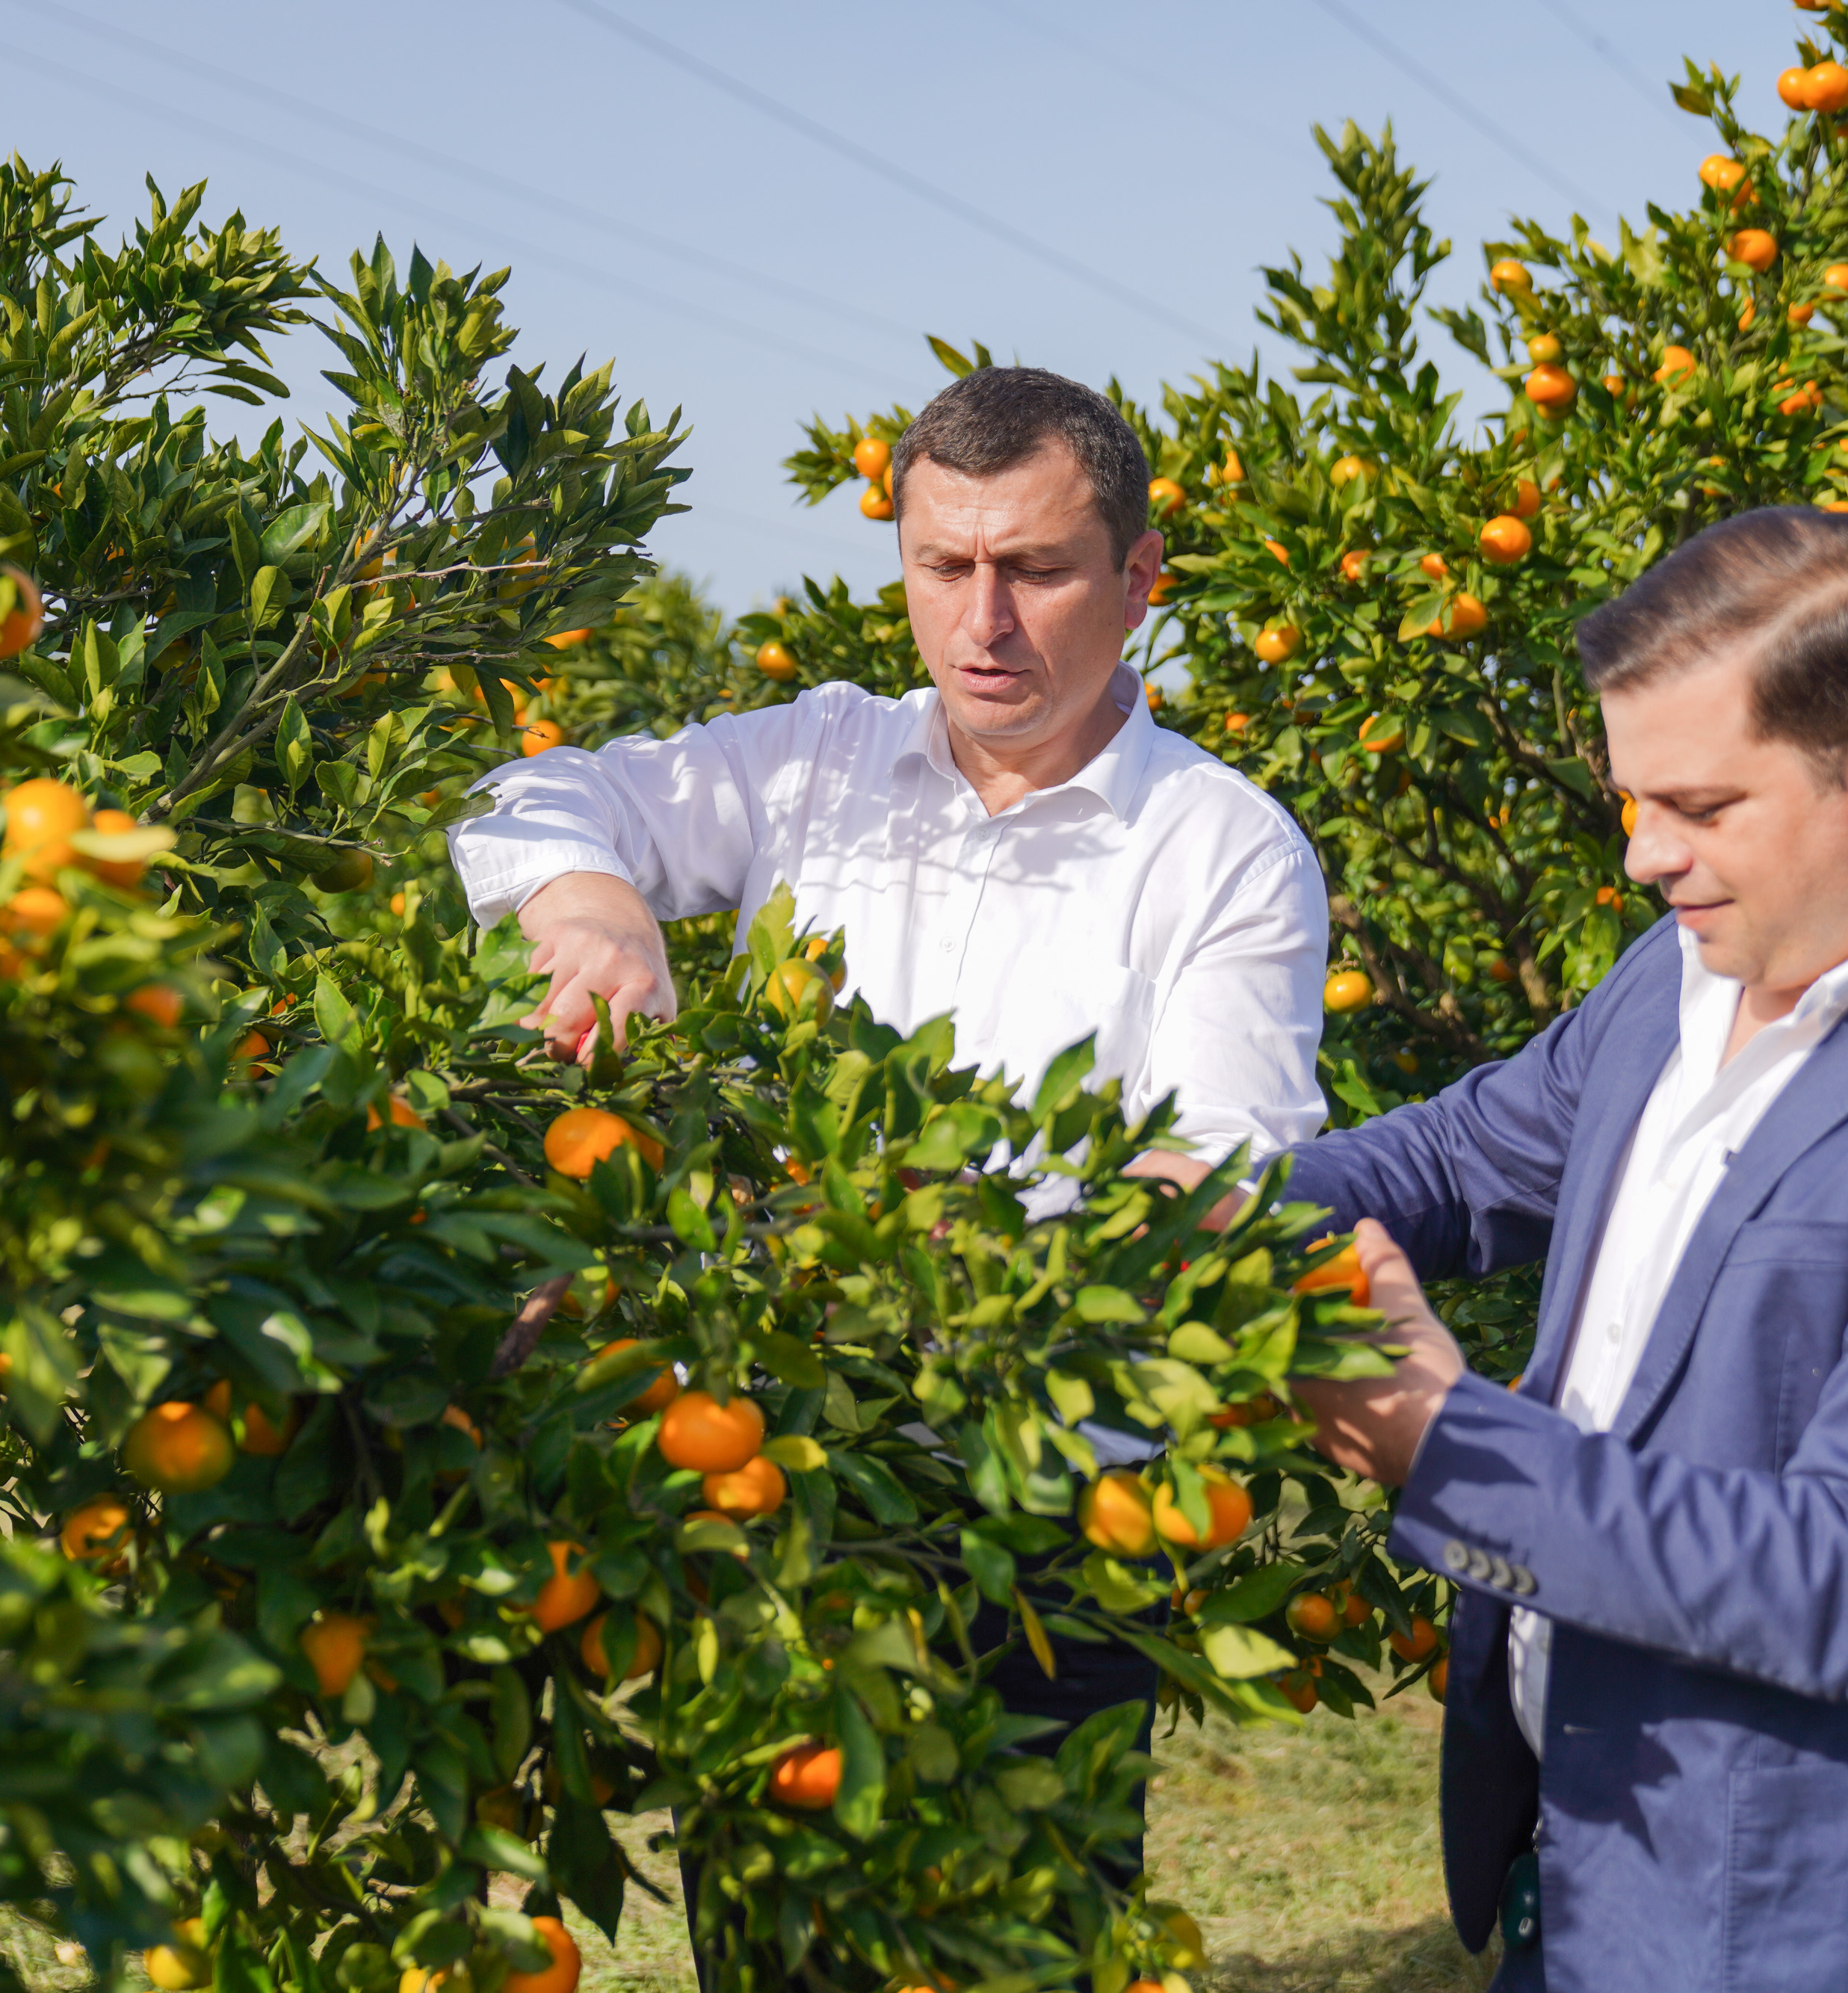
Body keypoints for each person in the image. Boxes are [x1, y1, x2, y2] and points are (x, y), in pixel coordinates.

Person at [1144, 507, 1848, 1991]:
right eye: (1631, 798)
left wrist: (1437, 1439)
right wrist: (1227, 1211)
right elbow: (1462, 1155)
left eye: (1698, 805)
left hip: (1832, 1934)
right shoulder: (1692, 965)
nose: (1645, 856)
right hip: (1578, 1880)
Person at [448, 364, 1330, 1888]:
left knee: (1022, 1934)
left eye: (1034, 571)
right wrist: (597, 908)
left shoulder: (1221, 851)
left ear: (1136, 580)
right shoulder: (820, 760)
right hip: (767, 1483)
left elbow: (1222, 1176)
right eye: (944, 567)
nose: (982, 621)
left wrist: (947, 1253)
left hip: (1047, 1514)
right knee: (775, 1924)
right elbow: (531, 794)